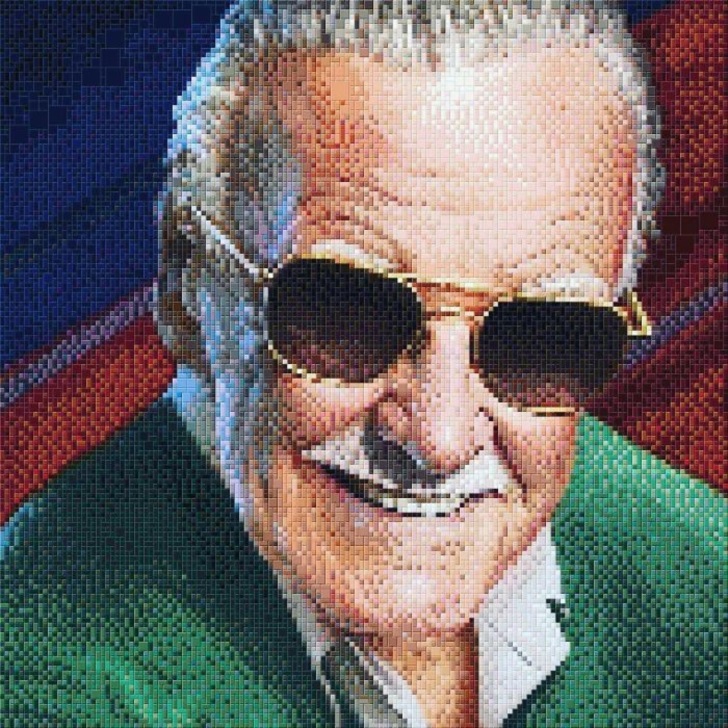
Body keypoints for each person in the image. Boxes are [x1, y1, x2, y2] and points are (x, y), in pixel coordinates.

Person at [2, 2, 725, 726]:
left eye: (540, 334)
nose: (441, 439)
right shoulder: (43, 673)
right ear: (194, 289)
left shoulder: (699, 575)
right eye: (348, 314)